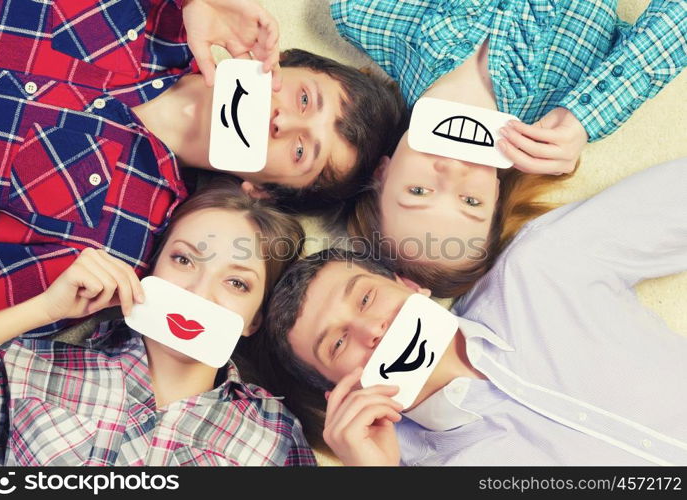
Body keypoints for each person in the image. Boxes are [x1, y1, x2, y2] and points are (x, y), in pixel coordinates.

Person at [0, 0, 406, 332]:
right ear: (285, 61)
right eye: (304, 99)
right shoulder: (168, 14)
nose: (283, 121)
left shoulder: (118, 242)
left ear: (261, 189)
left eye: (301, 151)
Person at [261, 157, 687, 465]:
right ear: (339, 392)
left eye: (366, 298)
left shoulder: (538, 271)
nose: (369, 330)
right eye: (337, 343)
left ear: (410, 285)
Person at [339, 0, 686, 296]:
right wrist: (589, 114)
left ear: (382, 172)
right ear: (496, 191)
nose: (453, 172)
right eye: (470, 201)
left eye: (419, 190)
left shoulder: (362, 14)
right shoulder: (576, 101)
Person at [0, 177, 317, 466]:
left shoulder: (276, 438)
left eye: (237, 283)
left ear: (254, 320)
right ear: (153, 268)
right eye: (184, 259)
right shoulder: (29, 368)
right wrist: (44, 309)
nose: (199, 293)